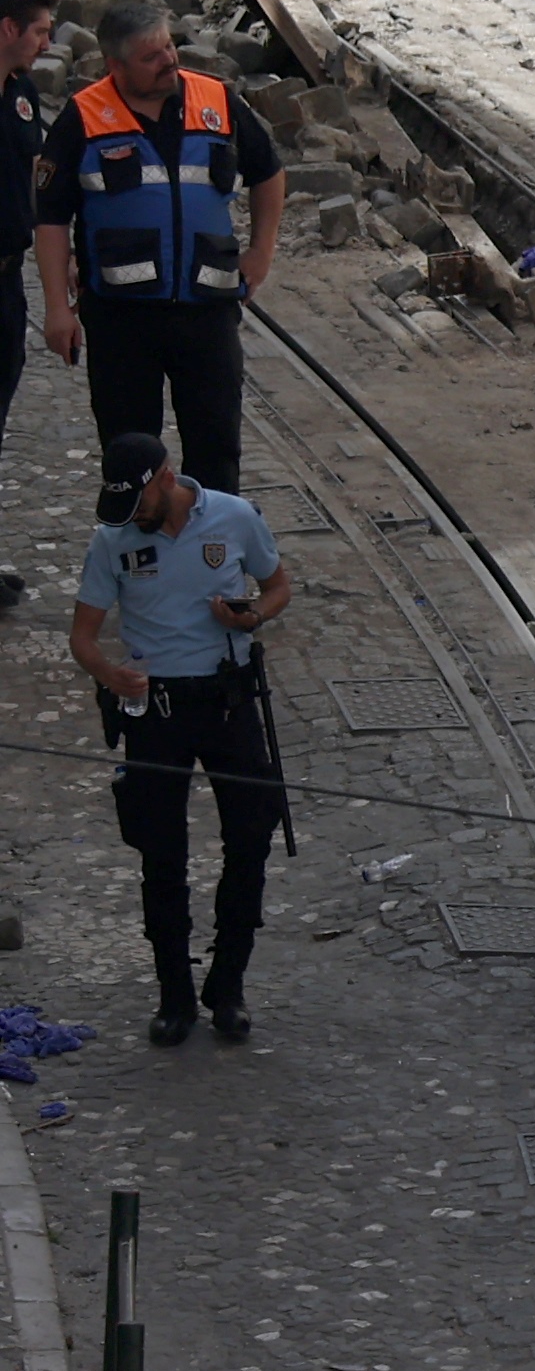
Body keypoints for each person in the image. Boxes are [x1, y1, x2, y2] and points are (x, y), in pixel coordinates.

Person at [71, 431, 292, 1044]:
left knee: (250, 836)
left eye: (138, 503)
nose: (132, 518)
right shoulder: (112, 539)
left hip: (227, 700)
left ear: (165, 481)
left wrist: (252, 616)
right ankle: (174, 993)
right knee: (161, 852)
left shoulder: (236, 517)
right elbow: (84, 635)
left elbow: (278, 587)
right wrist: (110, 674)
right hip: (156, 708)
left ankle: (229, 983)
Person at [33, 4, 283, 495]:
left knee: (216, 450)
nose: (168, 60)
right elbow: (51, 218)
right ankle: (141, 561)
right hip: (121, 320)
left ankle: (213, 559)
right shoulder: (83, 116)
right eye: (151, 57)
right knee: (129, 455)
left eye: (169, 46)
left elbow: (269, 173)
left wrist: (262, 251)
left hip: (207, 313)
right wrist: (57, 310)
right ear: (115, 66)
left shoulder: (216, 100)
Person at [0, 0, 55, 475]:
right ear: (8, 29)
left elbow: (36, 177)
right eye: (40, 32)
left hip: (6, 280)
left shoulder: (23, 94)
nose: (46, 44)